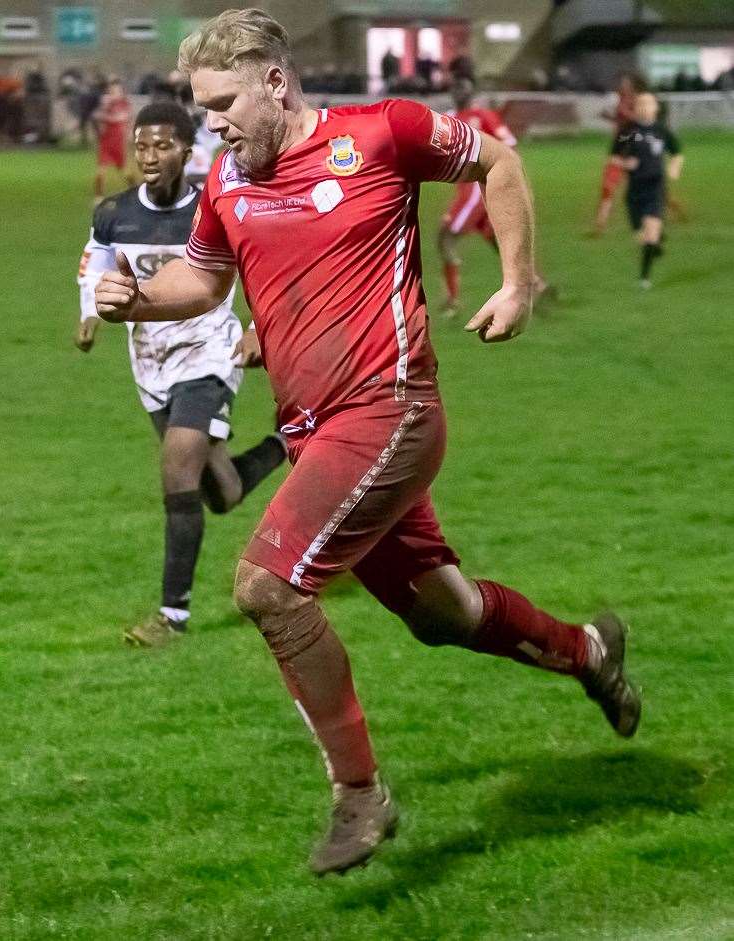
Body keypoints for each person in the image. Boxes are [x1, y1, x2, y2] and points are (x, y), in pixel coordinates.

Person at [94, 9, 640, 876]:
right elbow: (201, 277)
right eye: (202, 110)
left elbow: (497, 160)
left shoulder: (380, 133)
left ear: (274, 82)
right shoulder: (227, 183)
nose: (213, 124)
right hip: (320, 437)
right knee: (442, 616)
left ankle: (358, 794)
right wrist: (136, 298)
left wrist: (516, 283)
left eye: (223, 103)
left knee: (267, 588)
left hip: (390, 411)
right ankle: (589, 650)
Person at [78, 101, 286, 647]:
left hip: (208, 353)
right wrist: (89, 313)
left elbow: (266, 269)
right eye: (142, 145)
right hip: (149, 359)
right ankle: (288, 445)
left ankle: (172, 617)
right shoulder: (115, 211)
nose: (150, 155)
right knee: (221, 491)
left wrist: (258, 329)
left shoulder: (215, 209)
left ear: (188, 152)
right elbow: (95, 262)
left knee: (177, 471)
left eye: (163, 145)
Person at [438, 81, 553, 312]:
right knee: (499, 242)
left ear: (471, 93)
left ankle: (452, 302)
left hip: (476, 192)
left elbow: (509, 146)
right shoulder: (450, 118)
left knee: (446, 238)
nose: (459, 92)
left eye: (463, 89)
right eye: (456, 88)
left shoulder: (483, 116)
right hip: (470, 189)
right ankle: (538, 284)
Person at [612, 93, 683, 289]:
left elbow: (677, 153)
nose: (644, 107)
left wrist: (674, 168)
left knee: (650, 234)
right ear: (635, 108)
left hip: (655, 189)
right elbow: (614, 157)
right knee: (642, 238)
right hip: (634, 192)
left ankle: (644, 279)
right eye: (640, 104)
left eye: (648, 104)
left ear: (655, 108)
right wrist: (626, 163)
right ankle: (655, 245)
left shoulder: (662, 131)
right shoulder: (629, 132)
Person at [591, 73, 644, 237]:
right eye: (622, 84)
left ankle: (671, 208)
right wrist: (609, 117)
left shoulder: (639, 101)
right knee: (608, 187)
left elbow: (641, 121)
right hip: (619, 147)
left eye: (626, 84)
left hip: (634, 146)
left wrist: (625, 113)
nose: (622, 86)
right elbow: (620, 122)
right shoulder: (620, 102)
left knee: (646, 187)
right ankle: (599, 226)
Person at [92, 78, 132, 199]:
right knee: (101, 170)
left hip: (117, 140)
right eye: (112, 91)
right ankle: (98, 196)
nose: (114, 94)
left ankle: (134, 188)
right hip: (106, 140)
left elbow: (122, 117)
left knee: (124, 170)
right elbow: (96, 116)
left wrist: (108, 117)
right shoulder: (106, 104)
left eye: (117, 91)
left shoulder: (124, 104)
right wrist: (104, 110)